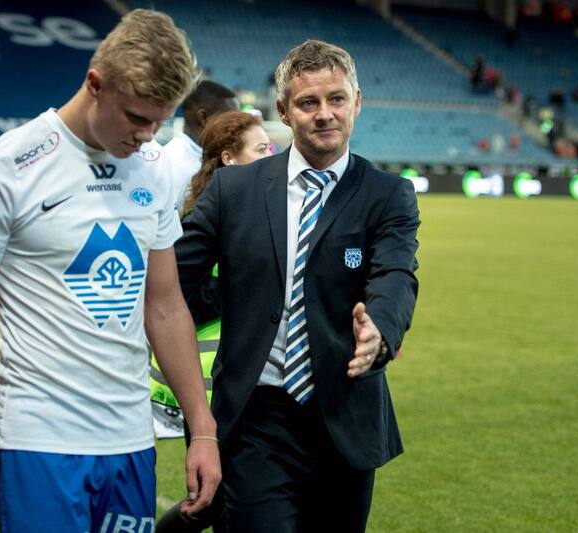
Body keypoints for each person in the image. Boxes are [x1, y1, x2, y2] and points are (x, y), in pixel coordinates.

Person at [0, 10, 220, 533]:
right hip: (38, 442)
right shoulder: (2, 169)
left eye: (160, 120)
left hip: (131, 441)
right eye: (136, 117)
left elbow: (165, 305)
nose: (146, 135)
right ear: (95, 84)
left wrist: (202, 430)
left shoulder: (153, 168)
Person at [175, 39, 420, 532]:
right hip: (254, 419)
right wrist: (234, 295)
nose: (324, 114)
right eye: (308, 102)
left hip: (345, 416)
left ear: (357, 102)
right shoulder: (234, 189)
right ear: (284, 111)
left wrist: (380, 330)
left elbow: (395, 275)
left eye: (336, 99)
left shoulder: (388, 194)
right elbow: (175, 281)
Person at [154, 111, 271, 533]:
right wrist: (242, 286)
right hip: (208, 382)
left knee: (221, 500)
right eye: (261, 149)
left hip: (247, 379)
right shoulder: (209, 212)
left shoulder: (268, 208)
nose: (271, 155)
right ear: (229, 159)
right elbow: (173, 296)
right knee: (212, 500)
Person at [164, 80, 239, 210]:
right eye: (229, 119)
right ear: (203, 118)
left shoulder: (217, 158)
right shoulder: (171, 165)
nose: (236, 127)